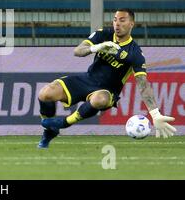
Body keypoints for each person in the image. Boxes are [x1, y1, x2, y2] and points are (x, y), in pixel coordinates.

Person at [37, 9, 176, 148]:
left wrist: (155, 114)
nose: (117, 24)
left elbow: (143, 85)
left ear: (131, 24)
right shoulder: (104, 34)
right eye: (115, 19)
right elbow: (78, 51)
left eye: (122, 20)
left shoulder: (135, 53)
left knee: (99, 100)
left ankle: (64, 123)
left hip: (107, 90)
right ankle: (49, 131)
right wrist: (97, 47)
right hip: (87, 79)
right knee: (45, 93)